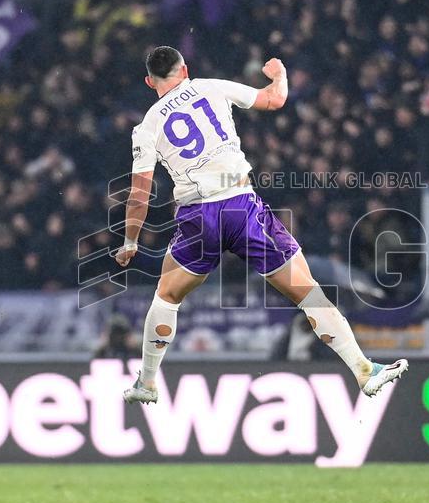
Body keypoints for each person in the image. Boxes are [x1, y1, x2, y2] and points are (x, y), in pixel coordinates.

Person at [116, 46, 407, 403]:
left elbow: (139, 192)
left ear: (150, 82)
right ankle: (363, 369)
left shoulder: (147, 126)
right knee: (307, 291)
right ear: (185, 69)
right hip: (240, 205)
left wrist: (131, 241)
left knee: (167, 296)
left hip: (197, 215)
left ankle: (147, 381)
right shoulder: (212, 87)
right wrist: (279, 75)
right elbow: (274, 100)